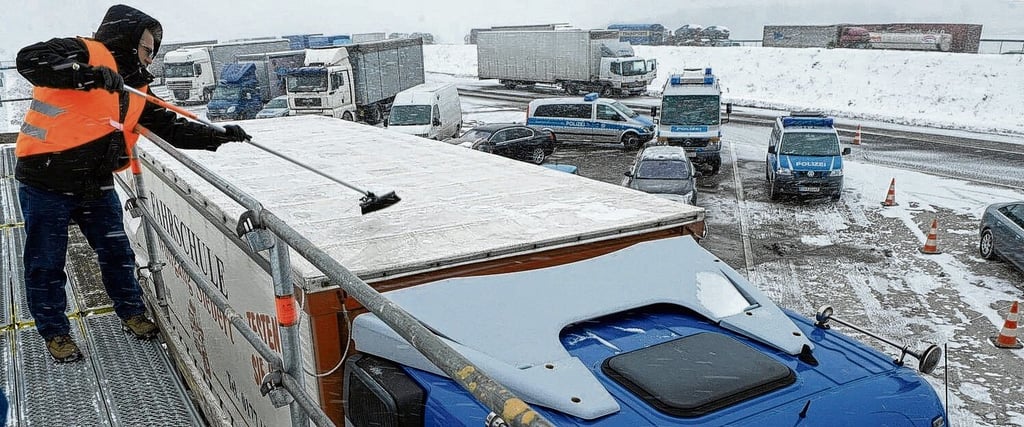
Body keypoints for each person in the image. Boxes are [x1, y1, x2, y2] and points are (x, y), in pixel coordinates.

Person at [15, 4, 250, 363]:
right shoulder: (81, 52)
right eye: (146, 49)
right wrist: (87, 75)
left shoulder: (135, 88)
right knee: (46, 261)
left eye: (154, 52)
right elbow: (29, 60)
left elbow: (171, 127)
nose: (150, 58)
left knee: (117, 253)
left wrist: (217, 135)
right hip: (45, 181)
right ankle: (55, 331)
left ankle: (131, 311)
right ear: (125, 39)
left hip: (95, 184)